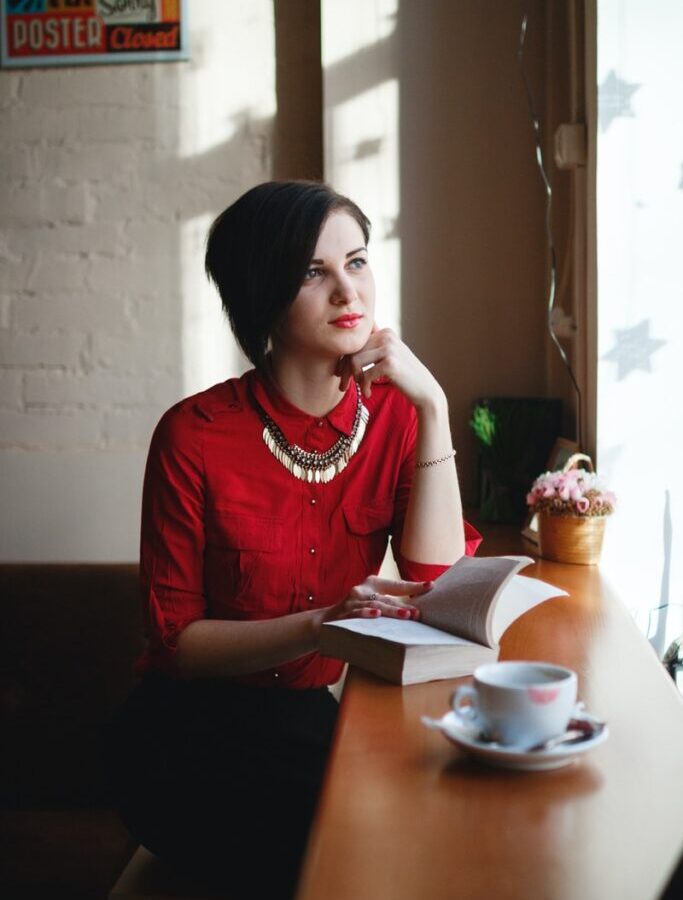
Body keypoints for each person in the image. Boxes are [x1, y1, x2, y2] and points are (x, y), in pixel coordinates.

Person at [106, 181, 481, 898]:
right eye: (313, 272)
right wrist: (323, 625)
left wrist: (432, 406)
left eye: (358, 261)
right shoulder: (194, 435)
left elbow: (435, 570)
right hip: (184, 739)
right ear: (261, 294)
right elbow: (177, 643)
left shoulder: (398, 420)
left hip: (305, 723)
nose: (349, 291)